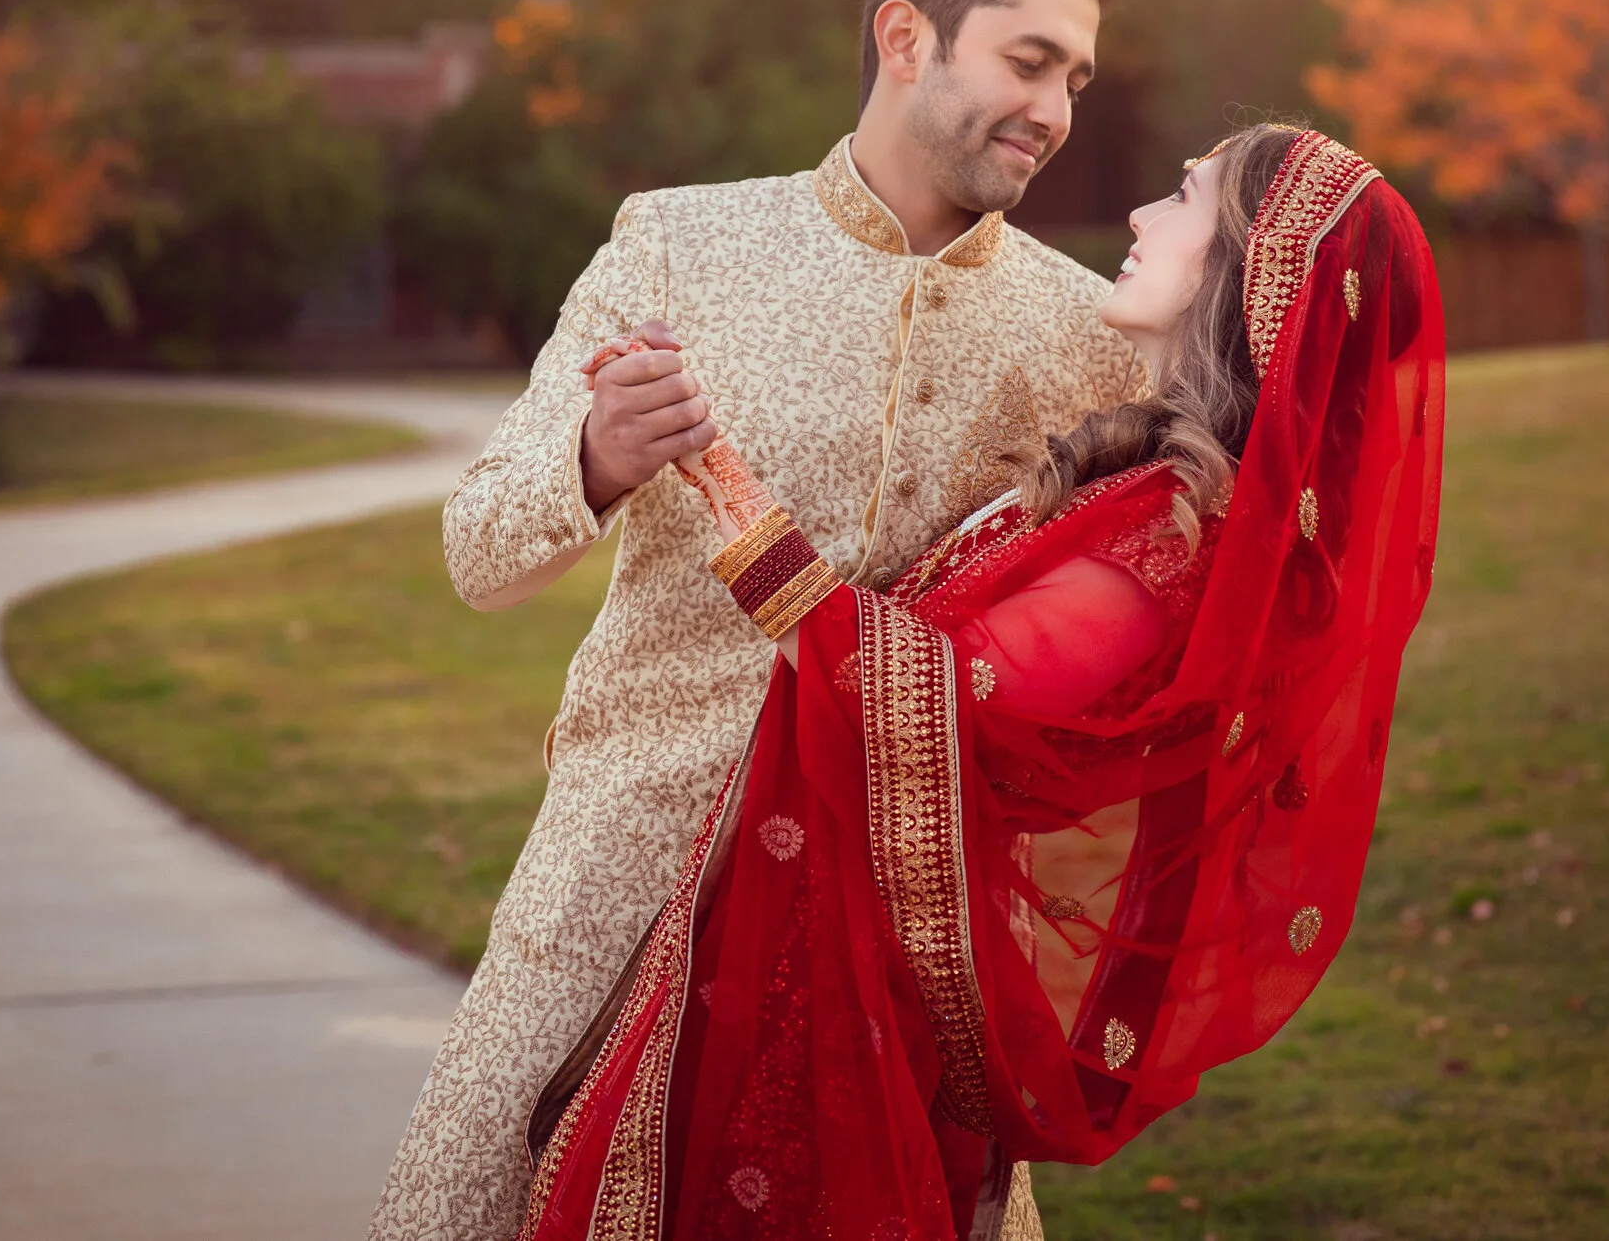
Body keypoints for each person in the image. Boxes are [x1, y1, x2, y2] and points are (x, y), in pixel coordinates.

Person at [371, 0, 1145, 1241]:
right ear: (909, 37)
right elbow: (479, 549)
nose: (1057, 111)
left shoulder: (1084, 333)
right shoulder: (683, 243)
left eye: (1075, 78)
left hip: (889, 926)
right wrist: (599, 454)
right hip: (627, 871)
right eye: (1030, 62)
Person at [514, 125, 1446, 1238]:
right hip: (811, 946)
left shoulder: (1177, 530)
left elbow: (938, 699)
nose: (1143, 217)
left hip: (847, 1000)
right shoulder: (1145, 482)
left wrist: (715, 473)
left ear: (1249, 272)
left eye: (1184, 198)